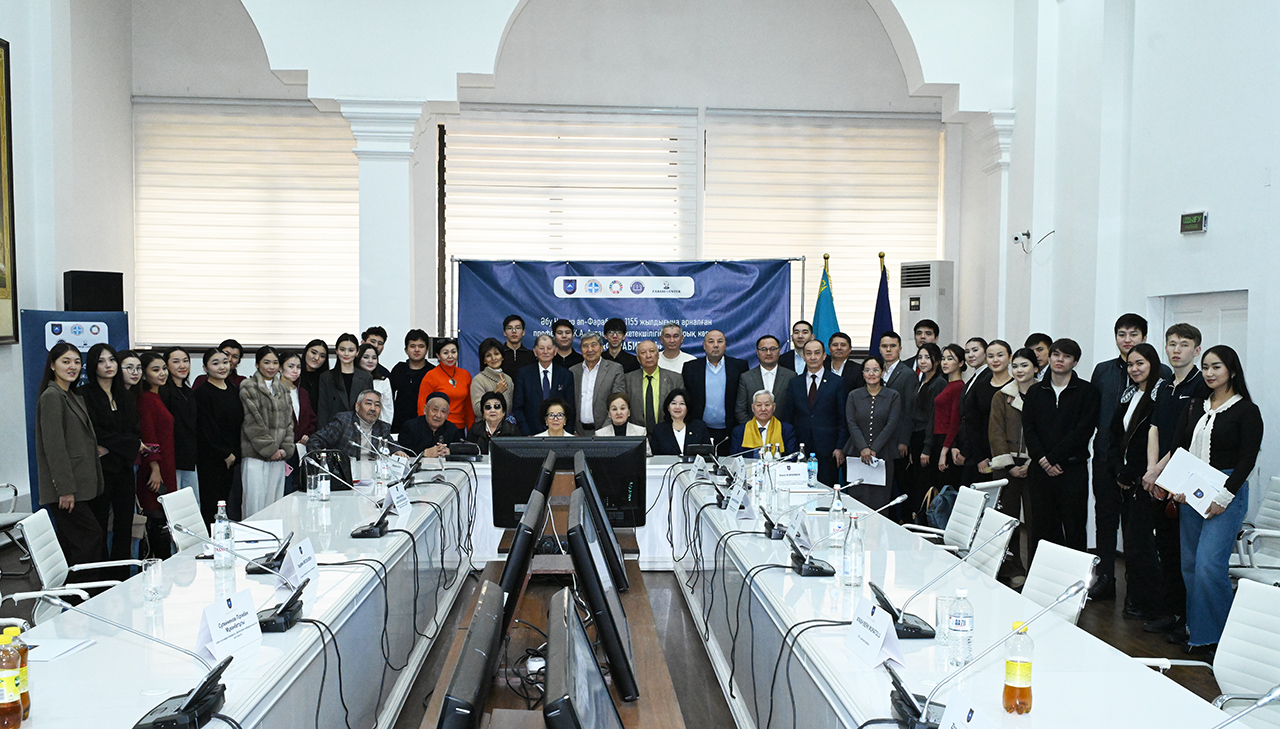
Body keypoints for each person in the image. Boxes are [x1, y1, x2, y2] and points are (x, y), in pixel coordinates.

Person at [1155, 345, 1261, 653]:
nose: (1209, 373)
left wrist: (1224, 496)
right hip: (1191, 493)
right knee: (1190, 566)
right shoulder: (1195, 405)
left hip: (1226, 493)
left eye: (1216, 367)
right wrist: (1176, 484)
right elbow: (1178, 447)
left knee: (1208, 566)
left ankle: (1224, 639)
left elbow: (1247, 460)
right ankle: (1200, 633)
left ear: (1232, 371)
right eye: (1205, 367)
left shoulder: (1246, 410)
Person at [1089, 313, 1173, 601]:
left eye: (1133, 334)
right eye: (1121, 334)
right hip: (1105, 459)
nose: (1127, 340)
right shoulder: (1103, 371)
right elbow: (1095, 414)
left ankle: (1136, 589)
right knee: (1105, 520)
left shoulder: (1163, 376)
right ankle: (1105, 579)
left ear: (1144, 338)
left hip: (1139, 468)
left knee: (1136, 529)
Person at [1140, 323, 1208, 635]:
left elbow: (1188, 439)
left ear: (1196, 350)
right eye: (1172, 344)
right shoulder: (1165, 385)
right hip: (1159, 477)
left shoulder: (1200, 386)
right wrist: (1151, 469)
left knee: (1185, 554)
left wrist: (1160, 471)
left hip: (1184, 477)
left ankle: (1190, 620)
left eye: (1184, 344)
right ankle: (1171, 613)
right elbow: (1154, 428)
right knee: (1165, 549)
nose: (1176, 350)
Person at [1021, 338, 1100, 552]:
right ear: (1049, 357)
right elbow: (1029, 429)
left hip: (1072, 469)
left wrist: (1053, 458)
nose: (1060, 360)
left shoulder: (1087, 392)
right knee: (1041, 528)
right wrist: (1043, 459)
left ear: (1075, 362)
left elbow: (1083, 431)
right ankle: (1039, 573)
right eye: (1056, 354)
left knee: (1074, 528)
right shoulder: (1035, 392)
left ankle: (1076, 574)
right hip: (1040, 470)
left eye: (1066, 356)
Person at [1103, 342, 1164, 621]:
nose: (1135, 369)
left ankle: (1152, 605)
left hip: (1146, 481)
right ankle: (1134, 599)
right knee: (1131, 544)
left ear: (1152, 364)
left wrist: (1134, 473)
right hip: (1125, 479)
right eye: (1130, 364)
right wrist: (1118, 470)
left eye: (1140, 363)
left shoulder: (1161, 395)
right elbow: (1115, 437)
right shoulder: (1128, 395)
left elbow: (1154, 441)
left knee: (1143, 546)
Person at [35, 343, 106, 566]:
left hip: (82, 485)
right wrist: (65, 490)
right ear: (52, 365)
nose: (72, 367)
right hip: (67, 489)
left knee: (72, 543)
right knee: (89, 538)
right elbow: (54, 448)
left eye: (76, 362)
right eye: (65, 362)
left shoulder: (72, 395)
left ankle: (69, 587)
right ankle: (84, 588)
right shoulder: (52, 396)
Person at [82, 344, 141, 568]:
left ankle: (121, 575)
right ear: (92, 365)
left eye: (112, 360)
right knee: (98, 524)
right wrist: (125, 444)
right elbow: (95, 432)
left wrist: (112, 446)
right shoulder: (84, 395)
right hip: (100, 471)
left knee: (124, 524)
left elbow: (133, 433)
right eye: (101, 361)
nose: (108, 365)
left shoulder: (124, 395)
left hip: (124, 468)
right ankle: (101, 575)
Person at [988, 347, 1039, 585]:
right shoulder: (1002, 396)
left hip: (1034, 463)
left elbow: (1046, 431)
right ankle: (1012, 567)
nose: (1019, 370)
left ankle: (1036, 569)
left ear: (1035, 368)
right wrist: (1009, 465)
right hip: (1006, 464)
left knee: (1036, 519)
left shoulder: (1044, 394)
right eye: (1015, 366)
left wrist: (1032, 461)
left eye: (1024, 365)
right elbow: (995, 431)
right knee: (1008, 518)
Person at [781, 339, 848, 486]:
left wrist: (840, 447)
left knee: (826, 489)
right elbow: (788, 417)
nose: (813, 357)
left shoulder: (837, 382)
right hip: (800, 448)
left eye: (817, 353)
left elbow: (843, 418)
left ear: (824, 356)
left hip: (828, 450)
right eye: (808, 353)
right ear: (804, 357)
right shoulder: (794, 383)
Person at [238, 346, 294, 516]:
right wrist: (270, 449)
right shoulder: (248, 386)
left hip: (279, 457)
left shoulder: (283, 389)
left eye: (275, 363)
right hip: (255, 456)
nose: (271, 367)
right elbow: (252, 422)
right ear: (257, 364)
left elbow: (289, 423)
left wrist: (284, 449)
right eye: (266, 362)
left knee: (275, 506)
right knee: (254, 505)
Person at [844, 355, 902, 509]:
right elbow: (851, 423)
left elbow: (891, 424)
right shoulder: (853, 395)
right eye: (867, 370)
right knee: (857, 499)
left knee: (880, 500)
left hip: (884, 453)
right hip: (857, 453)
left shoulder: (893, 396)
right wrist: (863, 447)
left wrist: (874, 449)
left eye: (875, 370)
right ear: (862, 373)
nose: (871, 374)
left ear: (882, 372)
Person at [195, 348, 244, 524]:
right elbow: (206, 429)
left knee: (227, 503)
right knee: (212, 505)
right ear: (205, 368)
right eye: (215, 363)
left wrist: (235, 453)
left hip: (233, 457)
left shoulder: (232, 388)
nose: (222, 367)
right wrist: (225, 453)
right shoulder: (202, 393)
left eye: (225, 362)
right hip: (212, 459)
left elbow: (239, 423)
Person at [136, 351, 177, 557]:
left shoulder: (157, 396)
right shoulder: (146, 399)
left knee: (164, 520)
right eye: (155, 370)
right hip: (155, 469)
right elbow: (148, 436)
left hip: (166, 465)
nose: (162, 373)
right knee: (156, 519)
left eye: (164, 369)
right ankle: (156, 564)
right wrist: (154, 467)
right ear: (144, 374)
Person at [681, 330, 749, 451]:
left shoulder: (739, 366)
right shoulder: (691, 368)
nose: (716, 345)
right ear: (704, 345)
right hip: (699, 429)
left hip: (731, 430)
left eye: (720, 341)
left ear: (725, 345)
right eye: (711, 341)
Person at [959, 339, 1012, 484]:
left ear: (1010, 357)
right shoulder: (979, 387)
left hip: (1011, 454)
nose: (995, 360)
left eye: (1000, 355)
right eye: (991, 356)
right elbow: (972, 424)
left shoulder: (1016, 387)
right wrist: (980, 457)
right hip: (982, 454)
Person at [309, 390, 405, 463]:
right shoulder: (344, 421)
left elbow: (391, 445)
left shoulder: (382, 427)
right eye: (368, 403)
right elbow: (315, 440)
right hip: (347, 474)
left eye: (377, 405)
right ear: (357, 406)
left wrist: (397, 451)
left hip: (373, 474)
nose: (373, 408)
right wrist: (325, 462)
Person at [907, 343, 945, 523]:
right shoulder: (922, 380)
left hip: (927, 438)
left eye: (927, 358)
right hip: (916, 437)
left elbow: (933, 417)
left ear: (936, 361)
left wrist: (927, 448)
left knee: (926, 485)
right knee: (916, 484)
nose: (922, 361)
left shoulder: (939, 383)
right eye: (920, 357)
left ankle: (926, 523)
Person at [512, 334, 574, 434]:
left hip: (558, 433)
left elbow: (570, 407)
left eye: (549, 348)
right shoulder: (523, 374)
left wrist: (565, 433)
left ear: (555, 351)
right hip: (531, 433)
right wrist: (526, 433)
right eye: (541, 348)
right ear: (535, 352)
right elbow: (518, 407)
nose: (545, 352)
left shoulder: (566, 375)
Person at [161, 346, 200, 504]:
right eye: (176, 361)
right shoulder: (163, 392)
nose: (182, 365)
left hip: (189, 457)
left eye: (185, 361)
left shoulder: (189, 392)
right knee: (175, 503)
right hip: (172, 457)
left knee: (192, 503)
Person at [927, 344, 966, 496]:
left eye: (950, 359)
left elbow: (955, 420)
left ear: (961, 363)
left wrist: (945, 450)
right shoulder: (948, 385)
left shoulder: (958, 386)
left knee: (946, 490)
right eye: (943, 359)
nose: (945, 362)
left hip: (947, 440)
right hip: (939, 439)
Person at [570, 332, 625, 434]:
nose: (589, 349)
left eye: (593, 345)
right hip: (578, 433)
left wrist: (605, 430)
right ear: (581, 350)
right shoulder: (573, 371)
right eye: (585, 346)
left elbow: (618, 402)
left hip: (605, 431)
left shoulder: (614, 369)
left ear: (602, 347)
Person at [735, 335, 796, 424]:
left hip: (783, 430)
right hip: (753, 430)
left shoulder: (790, 376)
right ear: (757, 352)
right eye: (764, 349)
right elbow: (740, 410)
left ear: (779, 351)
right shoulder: (746, 377)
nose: (768, 353)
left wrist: (784, 429)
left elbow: (795, 409)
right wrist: (754, 428)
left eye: (773, 349)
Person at [417, 338, 475, 431]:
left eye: (453, 352)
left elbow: (469, 407)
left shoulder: (465, 375)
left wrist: (471, 430)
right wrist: (425, 430)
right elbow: (422, 407)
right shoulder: (431, 376)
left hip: (459, 428)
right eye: (445, 353)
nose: (450, 356)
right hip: (437, 427)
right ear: (438, 355)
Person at [279, 350, 316, 495]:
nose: (295, 371)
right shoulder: (273, 392)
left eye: (298, 367)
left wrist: (307, 434)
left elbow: (311, 418)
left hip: (301, 449)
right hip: (281, 449)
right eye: (290, 366)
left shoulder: (302, 392)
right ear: (280, 368)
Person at [316, 333, 373, 428]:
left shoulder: (366, 377)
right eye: (342, 349)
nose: (346, 354)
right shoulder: (326, 377)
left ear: (357, 352)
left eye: (351, 350)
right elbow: (323, 410)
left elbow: (368, 407)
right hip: (333, 429)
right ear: (337, 351)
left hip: (359, 429)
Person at [624, 340, 683, 428]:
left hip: (667, 430)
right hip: (636, 431)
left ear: (658, 355)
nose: (648, 356)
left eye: (652, 351)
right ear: (638, 358)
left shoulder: (675, 379)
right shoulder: (628, 379)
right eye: (643, 353)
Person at [390, 329, 434, 433]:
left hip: (425, 426)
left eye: (421, 346)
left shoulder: (432, 372)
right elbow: (389, 397)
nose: (417, 350)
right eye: (412, 346)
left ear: (427, 350)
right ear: (406, 350)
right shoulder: (398, 369)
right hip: (398, 425)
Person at [649, 389, 712, 456]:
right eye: (674, 403)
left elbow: (708, 454)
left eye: (682, 404)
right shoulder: (659, 429)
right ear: (668, 407)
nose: (677, 407)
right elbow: (655, 457)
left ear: (687, 407)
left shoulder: (699, 427)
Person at [733, 389, 797, 455]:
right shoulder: (739, 431)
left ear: (774, 407)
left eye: (767, 405)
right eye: (759, 405)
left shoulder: (787, 430)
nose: (763, 409)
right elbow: (734, 458)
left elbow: (792, 457)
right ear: (753, 407)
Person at [400, 391, 465, 456]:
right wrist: (424, 453)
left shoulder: (452, 429)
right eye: (434, 410)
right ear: (425, 409)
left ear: (447, 414)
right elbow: (402, 451)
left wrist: (450, 452)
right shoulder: (411, 426)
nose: (438, 415)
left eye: (443, 411)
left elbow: (461, 451)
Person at [471, 337, 515, 420]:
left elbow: (508, 409)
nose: (493, 358)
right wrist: (496, 393)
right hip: (485, 426)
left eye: (496, 354)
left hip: (504, 425)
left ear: (502, 357)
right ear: (484, 360)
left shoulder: (508, 379)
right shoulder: (478, 380)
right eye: (488, 356)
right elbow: (477, 411)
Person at [357, 343, 394, 426]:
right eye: (366, 357)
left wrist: (384, 428)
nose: (370, 361)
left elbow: (387, 409)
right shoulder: (353, 379)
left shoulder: (383, 381)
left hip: (377, 427)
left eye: (374, 358)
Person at [298, 338, 330, 414]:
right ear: (306, 352)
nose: (316, 358)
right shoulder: (295, 375)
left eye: (322, 356)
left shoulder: (327, 379)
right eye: (313, 352)